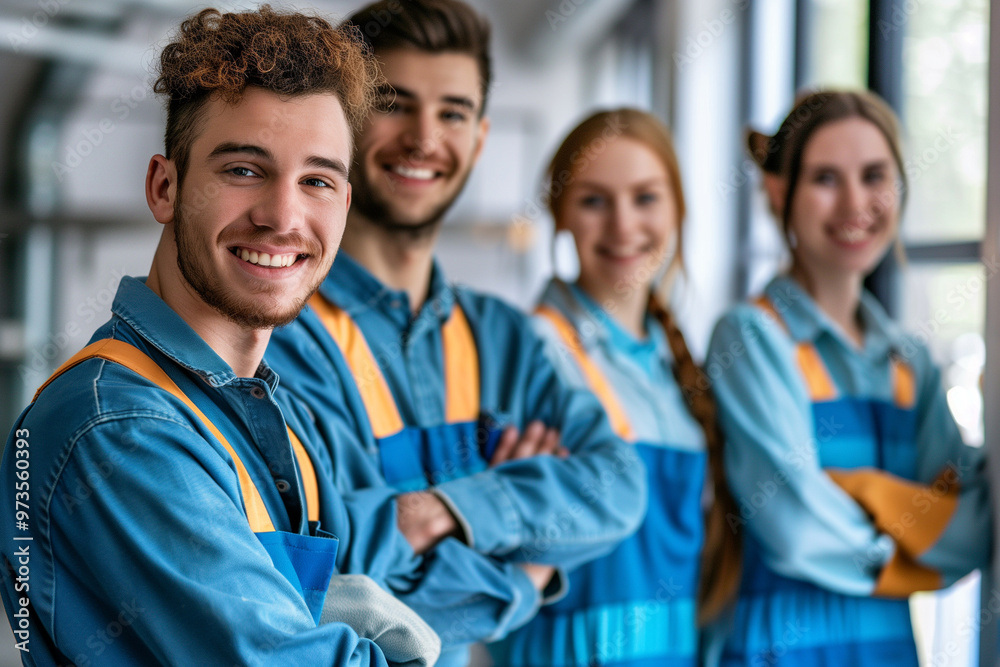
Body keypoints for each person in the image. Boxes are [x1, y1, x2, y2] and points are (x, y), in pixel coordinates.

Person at [0, 6, 466, 664]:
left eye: (316, 180)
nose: (282, 216)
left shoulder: (275, 410)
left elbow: (390, 568)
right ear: (165, 187)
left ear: (344, 204)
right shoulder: (116, 428)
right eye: (244, 169)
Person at [265, 1, 648, 664]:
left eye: (453, 112)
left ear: (480, 135)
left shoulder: (507, 338)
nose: (423, 137)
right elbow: (342, 574)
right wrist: (523, 581)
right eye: (393, 102)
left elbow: (617, 486)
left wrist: (442, 508)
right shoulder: (282, 338)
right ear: (342, 124)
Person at [706, 90, 992, 666]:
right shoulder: (753, 336)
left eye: (874, 175)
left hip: (888, 648)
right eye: (826, 179)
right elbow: (794, 528)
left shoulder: (909, 361)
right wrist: (912, 540)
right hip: (774, 648)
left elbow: (978, 525)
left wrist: (864, 488)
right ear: (778, 191)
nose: (855, 203)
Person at [488, 108, 740, 667]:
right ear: (561, 215)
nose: (624, 226)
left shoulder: (679, 366)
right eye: (594, 200)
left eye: (646, 198)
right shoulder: (533, 349)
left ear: (678, 209)